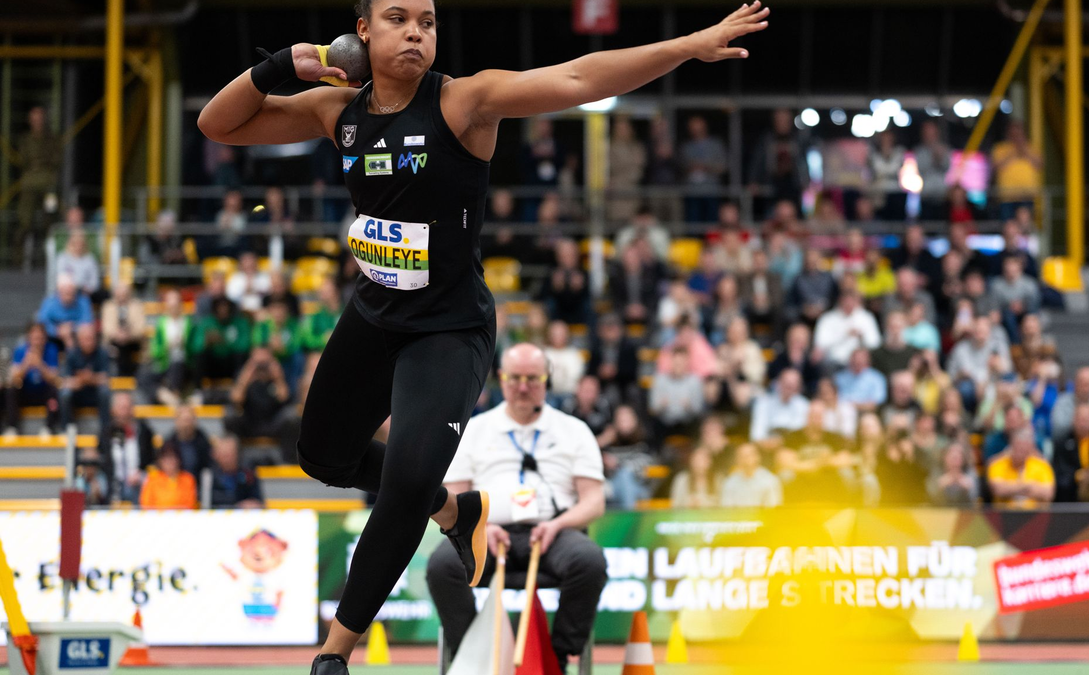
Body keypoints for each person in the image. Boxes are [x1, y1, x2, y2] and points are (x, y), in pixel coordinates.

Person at [198, 4, 769, 669]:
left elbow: (581, 78)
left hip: (450, 327)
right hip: (375, 314)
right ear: (362, 32)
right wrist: (277, 66)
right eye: (398, 19)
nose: (417, 33)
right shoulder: (338, 111)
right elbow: (220, 123)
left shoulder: (466, 102)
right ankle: (457, 510)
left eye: (429, 22)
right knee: (322, 457)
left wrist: (689, 46)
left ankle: (333, 654)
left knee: (405, 486)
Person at [428, 344, 606, 674]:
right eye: (515, 378)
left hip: (554, 532)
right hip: (485, 533)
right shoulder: (475, 429)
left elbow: (594, 500)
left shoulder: (574, 431)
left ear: (546, 380)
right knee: (442, 566)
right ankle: (473, 655)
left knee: (589, 561)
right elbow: (450, 496)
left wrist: (557, 525)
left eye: (532, 378)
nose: (523, 387)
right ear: (501, 378)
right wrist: (478, 527)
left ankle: (556, 658)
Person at [15, 106, 62, 264]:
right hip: (29, 184)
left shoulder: (52, 139)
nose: (38, 122)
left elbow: (57, 160)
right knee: (24, 222)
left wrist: (40, 165)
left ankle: (49, 261)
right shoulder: (26, 139)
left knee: (50, 220)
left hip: (49, 185)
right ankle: (18, 261)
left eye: (40, 118)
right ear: (30, 121)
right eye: (34, 119)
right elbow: (23, 160)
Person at [3, 322, 61, 436]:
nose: (37, 341)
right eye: (34, 338)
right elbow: (14, 378)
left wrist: (40, 365)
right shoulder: (20, 350)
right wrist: (26, 364)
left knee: (54, 391)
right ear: (29, 338)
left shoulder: (51, 350)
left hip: (44, 393)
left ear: (45, 338)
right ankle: (12, 427)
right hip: (26, 392)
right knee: (11, 390)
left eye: (40, 338)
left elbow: (55, 378)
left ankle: (49, 427)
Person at [99, 392, 156, 502]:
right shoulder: (106, 432)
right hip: (113, 481)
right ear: (113, 410)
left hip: (138, 480)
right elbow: (102, 456)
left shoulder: (143, 431)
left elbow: (152, 458)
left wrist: (141, 473)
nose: (124, 412)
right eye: (121, 408)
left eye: (128, 407)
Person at [58, 324, 111, 432]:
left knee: (105, 392)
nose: (89, 342)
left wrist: (90, 378)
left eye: (92, 338)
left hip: (94, 393)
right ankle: (67, 430)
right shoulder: (71, 354)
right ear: (79, 340)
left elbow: (107, 379)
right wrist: (81, 380)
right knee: (64, 394)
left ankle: (106, 429)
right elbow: (63, 381)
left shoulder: (102, 353)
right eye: (86, 339)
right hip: (78, 394)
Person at [987, 427, 1055, 508]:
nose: (1020, 452)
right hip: (1003, 516)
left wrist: (1010, 489)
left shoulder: (1042, 465)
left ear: (1030, 448)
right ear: (1011, 446)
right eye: (1018, 448)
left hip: (1036, 515)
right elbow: (998, 490)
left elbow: (1048, 493)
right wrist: (1028, 486)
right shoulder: (997, 464)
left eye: (1023, 449)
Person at [148, 289, 195, 406]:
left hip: (185, 364)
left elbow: (195, 347)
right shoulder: (161, 323)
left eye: (175, 302)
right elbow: (154, 349)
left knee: (177, 361)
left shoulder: (189, 322)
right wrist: (166, 348)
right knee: (143, 376)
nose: (173, 305)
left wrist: (185, 344)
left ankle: (175, 395)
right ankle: (164, 395)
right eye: (170, 302)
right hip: (164, 363)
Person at [813, 288, 881, 367]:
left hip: (861, 365)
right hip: (834, 363)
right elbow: (820, 344)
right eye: (846, 302)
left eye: (852, 301)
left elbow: (876, 343)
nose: (849, 305)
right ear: (840, 301)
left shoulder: (866, 318)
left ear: (856, 301)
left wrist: (862, 336)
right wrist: (844, 335)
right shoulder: (827, 319)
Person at [990, 120, 1043, 220]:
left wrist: (1024, 150)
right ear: (1008, 133)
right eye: (1013, 133)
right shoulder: (1000, 148)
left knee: (1026, 226)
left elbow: (1039, 164)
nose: (1016, 136)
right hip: (1007, 196)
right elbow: (996, 167)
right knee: (1008, 225)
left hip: (1027, 195)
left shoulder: (1032, 148)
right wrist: (1013, 152)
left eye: (1018, 133)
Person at [649, 347, 707, 437]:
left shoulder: (695, 381)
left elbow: (699, 410)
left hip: (687, 423)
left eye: (681, 363)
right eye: (676, 363)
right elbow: (653, 408)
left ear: (687, 363)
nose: (678, 366)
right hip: (665, 422)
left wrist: (689, 406)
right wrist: (662, 405)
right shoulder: (660, 380)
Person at [681, 115, 728, 223]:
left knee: (711, 220)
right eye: (693, 128)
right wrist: (690, 167)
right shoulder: (686, 147)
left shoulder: (716, 145)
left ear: (704, 127)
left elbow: (723, 165)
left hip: (711, 190)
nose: (696, 130)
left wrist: (706, 166)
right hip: (692, 190)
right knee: (693, 221)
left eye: (698, 127)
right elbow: (680, 166)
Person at [100, 282, 147, 377]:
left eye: (124, 295)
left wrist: (129, 335)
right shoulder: (108, 306)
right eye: (119, 295)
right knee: (118, 348)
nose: (121, 297)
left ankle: (125, 377)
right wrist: (117, 334)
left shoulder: (137, 305)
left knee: (124, 348)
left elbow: (141, 327)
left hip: (133, 341)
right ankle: (122, 377)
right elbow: (106, 328)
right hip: (114, 340)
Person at [749, 368, 809, 442]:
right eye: (786, 383)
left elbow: (799, 431)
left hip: (792, 446)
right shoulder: (763, 403)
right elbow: (757, 433)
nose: (789, 387)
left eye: (793, 384)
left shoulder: (804, 405)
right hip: (766, 444)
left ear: (799, 386)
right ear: (778, 382)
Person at [607, 115, 647, 223]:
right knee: (617, 221)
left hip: (633, 190)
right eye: (620, 128)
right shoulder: (609, 147)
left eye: (625, 128)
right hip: (617, 191)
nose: (622, 131)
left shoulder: (637, 147)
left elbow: (639, 168)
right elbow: (612, 166)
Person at [37, 275, 93, 351]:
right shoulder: (49, 302)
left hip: (77, 336)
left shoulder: (83, 301)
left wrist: (71, 329)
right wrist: (57, 331)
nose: (69, 295)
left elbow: (87, 322)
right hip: (53, 337)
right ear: (59, 292)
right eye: (65, 292)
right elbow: (41, 322)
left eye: (71, 292)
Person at [209, 435, 265, 508]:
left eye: (231, 454)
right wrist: (236, 505)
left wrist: (254, 504)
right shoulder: (208, 476)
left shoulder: (248, 474)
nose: (228, 459)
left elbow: (257, 499)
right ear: (215, 455)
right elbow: (208, 499)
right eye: (224, 454)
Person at [719, 442, 782, 507]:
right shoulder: (730, 482)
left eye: (749, 455)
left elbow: (773, 508)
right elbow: (726, 509)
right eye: (741, 456)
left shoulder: (770, 480)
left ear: (757, 457)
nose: (745, 459)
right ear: (737, 459)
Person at [139, 444, 198, 510]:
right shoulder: (152, 479)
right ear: (160, 461)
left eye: (171, 457)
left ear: (178, 459)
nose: (168, 462)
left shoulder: (188, 479)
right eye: (165, 458)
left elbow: (190, 505)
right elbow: (146, 505)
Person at [56, 232, 102, 302]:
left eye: (80, 244)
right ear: (70, 244)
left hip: (86, 291)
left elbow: (95, 282)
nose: (78, 246)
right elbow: (61, 277)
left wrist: (88, 288)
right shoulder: (63, 258)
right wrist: (72, 287)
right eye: (75, 243)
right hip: (67, 289)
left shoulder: (90, 259)